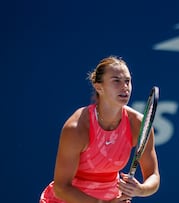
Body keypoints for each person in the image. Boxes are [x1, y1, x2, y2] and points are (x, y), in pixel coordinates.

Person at [40, 56, 160, 203]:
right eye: (116, 81)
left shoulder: (138, 124)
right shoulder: (77, 128)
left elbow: (153, 176)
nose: (125, 87)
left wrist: (140, 189)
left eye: (127, 81)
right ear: (98, 87)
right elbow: (61, 188)